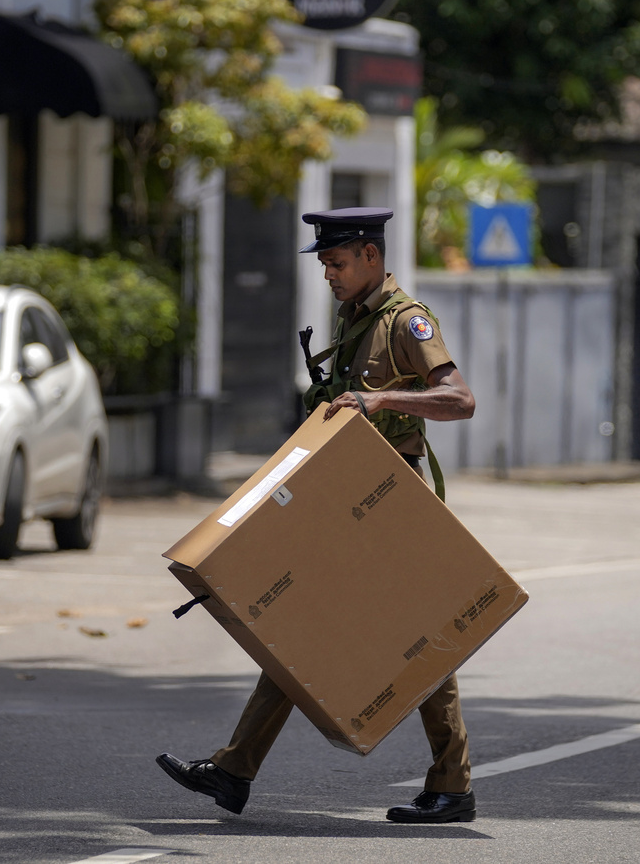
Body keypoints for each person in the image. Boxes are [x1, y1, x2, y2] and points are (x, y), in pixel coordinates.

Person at [157, 207, 478, 824]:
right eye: (325, 263)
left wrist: (381, 396)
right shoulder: (354, 317)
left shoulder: (406, 322)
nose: (328, 273)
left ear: (370, 256)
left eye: (336, 262)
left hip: (392, 501)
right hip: (351, 496)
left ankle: (451, 782)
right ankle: (235, 770)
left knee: (413, 635)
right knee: (304, 623)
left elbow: (460, 399)